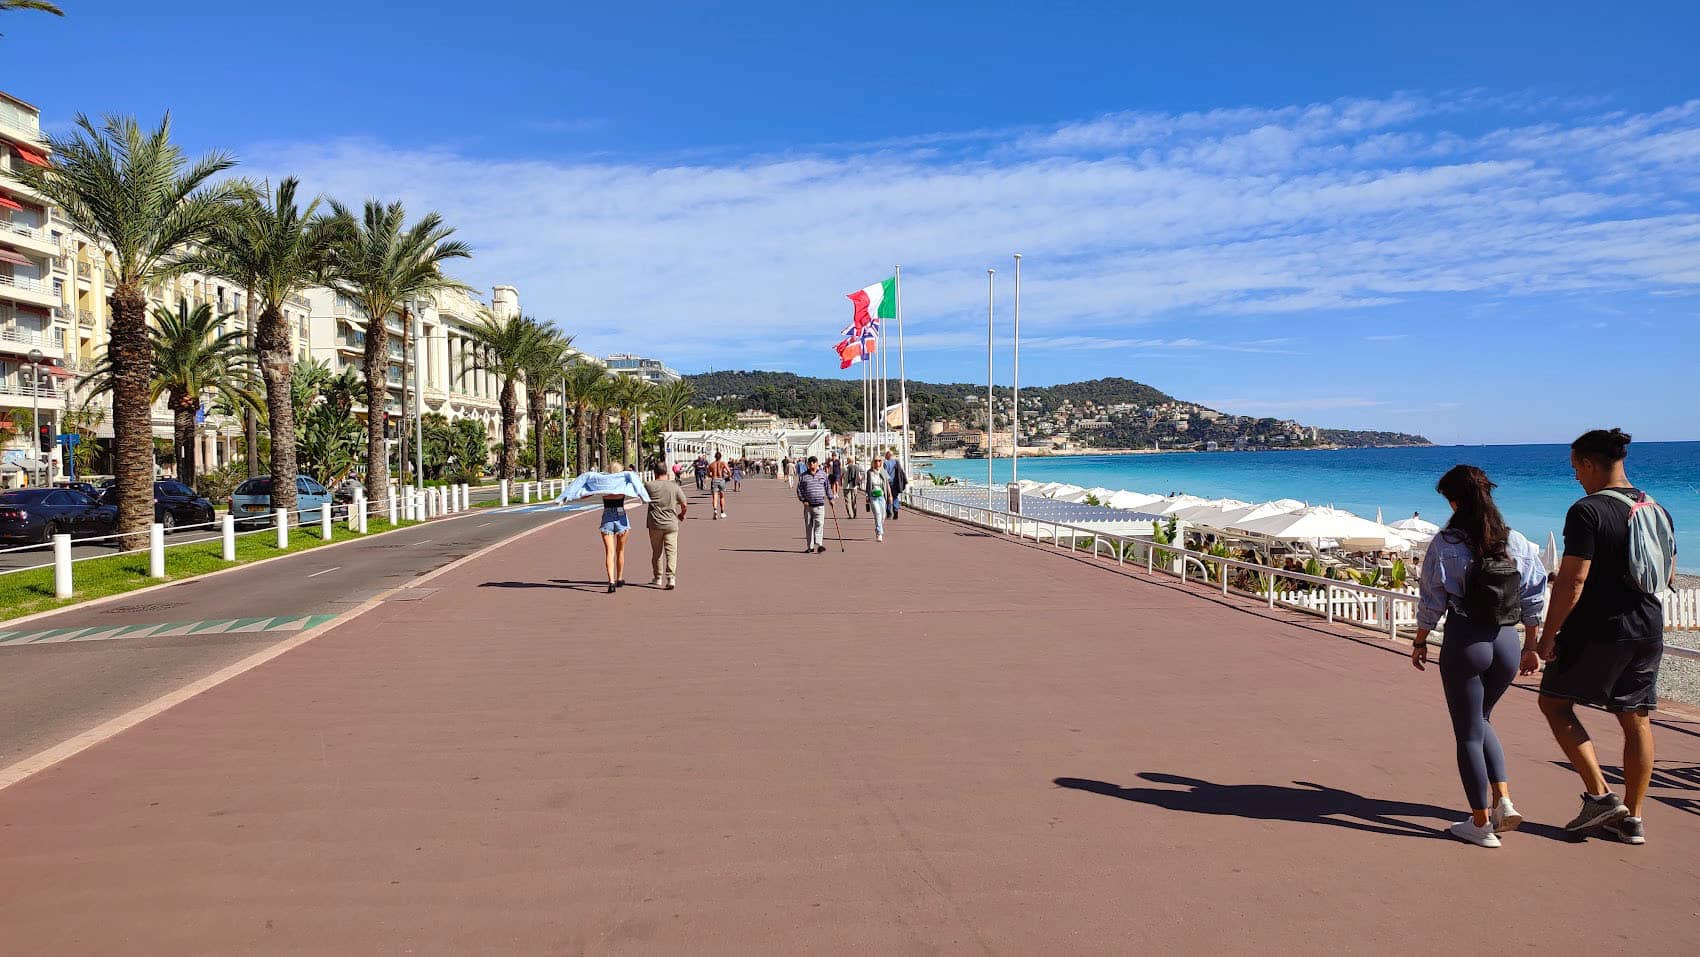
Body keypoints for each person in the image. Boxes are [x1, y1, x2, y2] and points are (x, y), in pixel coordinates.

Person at [1535, 429, 1677, 845]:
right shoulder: (1656, 508)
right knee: (1636, 717)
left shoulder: (1586, 511)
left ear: (1590, 463)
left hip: (1599, 628)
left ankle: (1599, 795)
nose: (1576, 476)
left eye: (1576, 467)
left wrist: (1548, 635)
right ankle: (1632, 817)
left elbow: (1572, 581)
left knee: (1555, 703)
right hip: (1648, 625)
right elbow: (1666, 573)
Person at [1411, 465, 1548, 848]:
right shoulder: (1516, 541)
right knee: (1482, 718)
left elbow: (1432, 599)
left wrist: (1420, 641)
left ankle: (1480, 823)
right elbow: (1534, 595)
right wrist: (1532, 645)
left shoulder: (1446, 543)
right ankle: (1503, 800)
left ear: (1454, 501)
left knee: (1468, 732)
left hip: (1466, 641)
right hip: (1508, 641)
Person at [554, 468, 651, 594]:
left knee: (609, 552)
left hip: (607, 518)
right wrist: (643, 497)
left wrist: (570, 496)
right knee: (620, 550)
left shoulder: (602, 485)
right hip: (621, 518)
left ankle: (611, 582)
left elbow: (586, 494)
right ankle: (619, 578)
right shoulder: (622, 484)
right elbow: (636, 487)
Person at [643, 462, 687, 589]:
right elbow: (684, 503)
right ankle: (671, 578)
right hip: (671, 524)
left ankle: (657, 577)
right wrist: (682, 514)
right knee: (671, 552)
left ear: (654, 473)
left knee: (657, 552)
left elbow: (641, 497)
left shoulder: (648, 485)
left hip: (655, 523)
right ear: (667, 473)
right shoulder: (674, 486)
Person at [796, 456, 834, 554]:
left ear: (817, 463)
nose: (812, 464)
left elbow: (827, 487)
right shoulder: (803, 476)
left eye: (814, 462)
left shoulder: (823, 474)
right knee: (809, 526)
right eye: (810, 462)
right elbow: (799, 489)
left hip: (820, 504)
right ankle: (810, 547)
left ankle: (819, 544)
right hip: (808, 505)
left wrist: (830, 498)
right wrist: (803, 500)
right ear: (808, 464)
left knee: (820, 524)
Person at [865, 457, 891, 543]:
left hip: (882, 496)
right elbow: (868, 485)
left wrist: (890, 495)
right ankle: (879, 533)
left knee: (883, 516)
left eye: (879, 460)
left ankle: (877, 529)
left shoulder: (883, 472)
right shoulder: (869, 472)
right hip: (873, 496)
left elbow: (887, 484)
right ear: (873, 462)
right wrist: (867, 496)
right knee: (878, 514)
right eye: (876, 461)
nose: (877, 462)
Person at [882, 450, 908, 519]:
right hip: (896, 483)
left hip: (888, 483)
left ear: (888, 455)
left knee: (888, 497)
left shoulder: (885, 463)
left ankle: (889, 512)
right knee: (895, 497)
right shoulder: (896, 462)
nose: (885, 456)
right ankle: (896, 510)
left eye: (885, 455)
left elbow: (885, 473)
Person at [707, 451, 732, 519]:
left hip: (714, 480)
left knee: (715, 497)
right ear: (720, 456)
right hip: (721, 480)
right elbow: (729, 471)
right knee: (722, 497)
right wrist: (728, 477)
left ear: (715, 457)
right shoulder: (723, 463)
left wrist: (712, 476)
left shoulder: (711, 464)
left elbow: (708, 474)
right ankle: (722, 512)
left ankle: (715, 510)